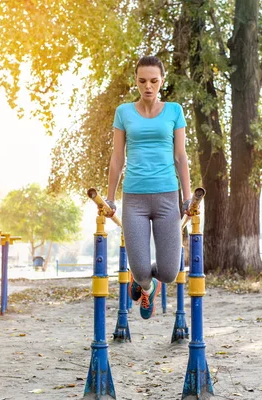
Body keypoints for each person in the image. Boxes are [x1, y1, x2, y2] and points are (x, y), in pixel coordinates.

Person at [105, 55, 192, 320]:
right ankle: (145, 284)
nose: (148, 86)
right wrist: (109, 198)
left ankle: (151, 282)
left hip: (167, 197)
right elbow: (118, 158)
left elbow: (181, 156)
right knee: (141, 271)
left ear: (161, 81)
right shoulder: (124, 113)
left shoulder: (175, 111)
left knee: (168, 272)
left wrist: (187, 198)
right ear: (136, 81)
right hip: (135, 199)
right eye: (142, 81)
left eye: (154, 81)